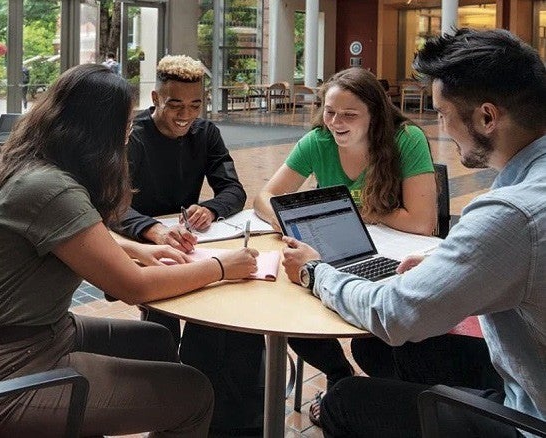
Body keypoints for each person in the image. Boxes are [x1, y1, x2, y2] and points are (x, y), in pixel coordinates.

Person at [282, 28, 546, 437]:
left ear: (487, 117)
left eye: (442, 114)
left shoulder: (512, 213)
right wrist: (450, 262)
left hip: (531, 416)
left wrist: (316, 273)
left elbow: (393, 314)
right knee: (377, 347)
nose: (441, 128)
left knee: (346, 399)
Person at [0, 63, 259, 437]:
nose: (128, 133)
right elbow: (134, 288)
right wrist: (221, 266)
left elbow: (74, 232)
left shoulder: (38, 165)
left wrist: (141, 251)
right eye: (123, 124)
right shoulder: (51, 188)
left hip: (48, 329)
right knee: (195, 394)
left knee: (156, 338)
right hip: (20, 359)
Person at [254, 66, 438, 425]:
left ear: (375, 115)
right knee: (290, 308)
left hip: (392, 257)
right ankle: (339, 373)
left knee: (371, 335)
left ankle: (385, 395)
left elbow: (422, 222)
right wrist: (286, 221)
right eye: (330, 111)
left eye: (350, 114)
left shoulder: (406, 140)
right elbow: (266, 196)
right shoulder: (318, 142)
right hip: (333, 249)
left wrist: (364, 212)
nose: (336, 122)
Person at [111, 54, 264, 434]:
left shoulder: (206, 133)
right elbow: (112, 203)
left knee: (211, 314)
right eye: (175, 103)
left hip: (193, 242)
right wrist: (153, 230)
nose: (186, 114)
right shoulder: (133, 135)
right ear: (155, 97)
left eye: (196, 105)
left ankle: (206, 396)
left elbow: (233, 189)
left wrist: (210, 210)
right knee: (161, 332)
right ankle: (167, 400)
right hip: (142, 243)